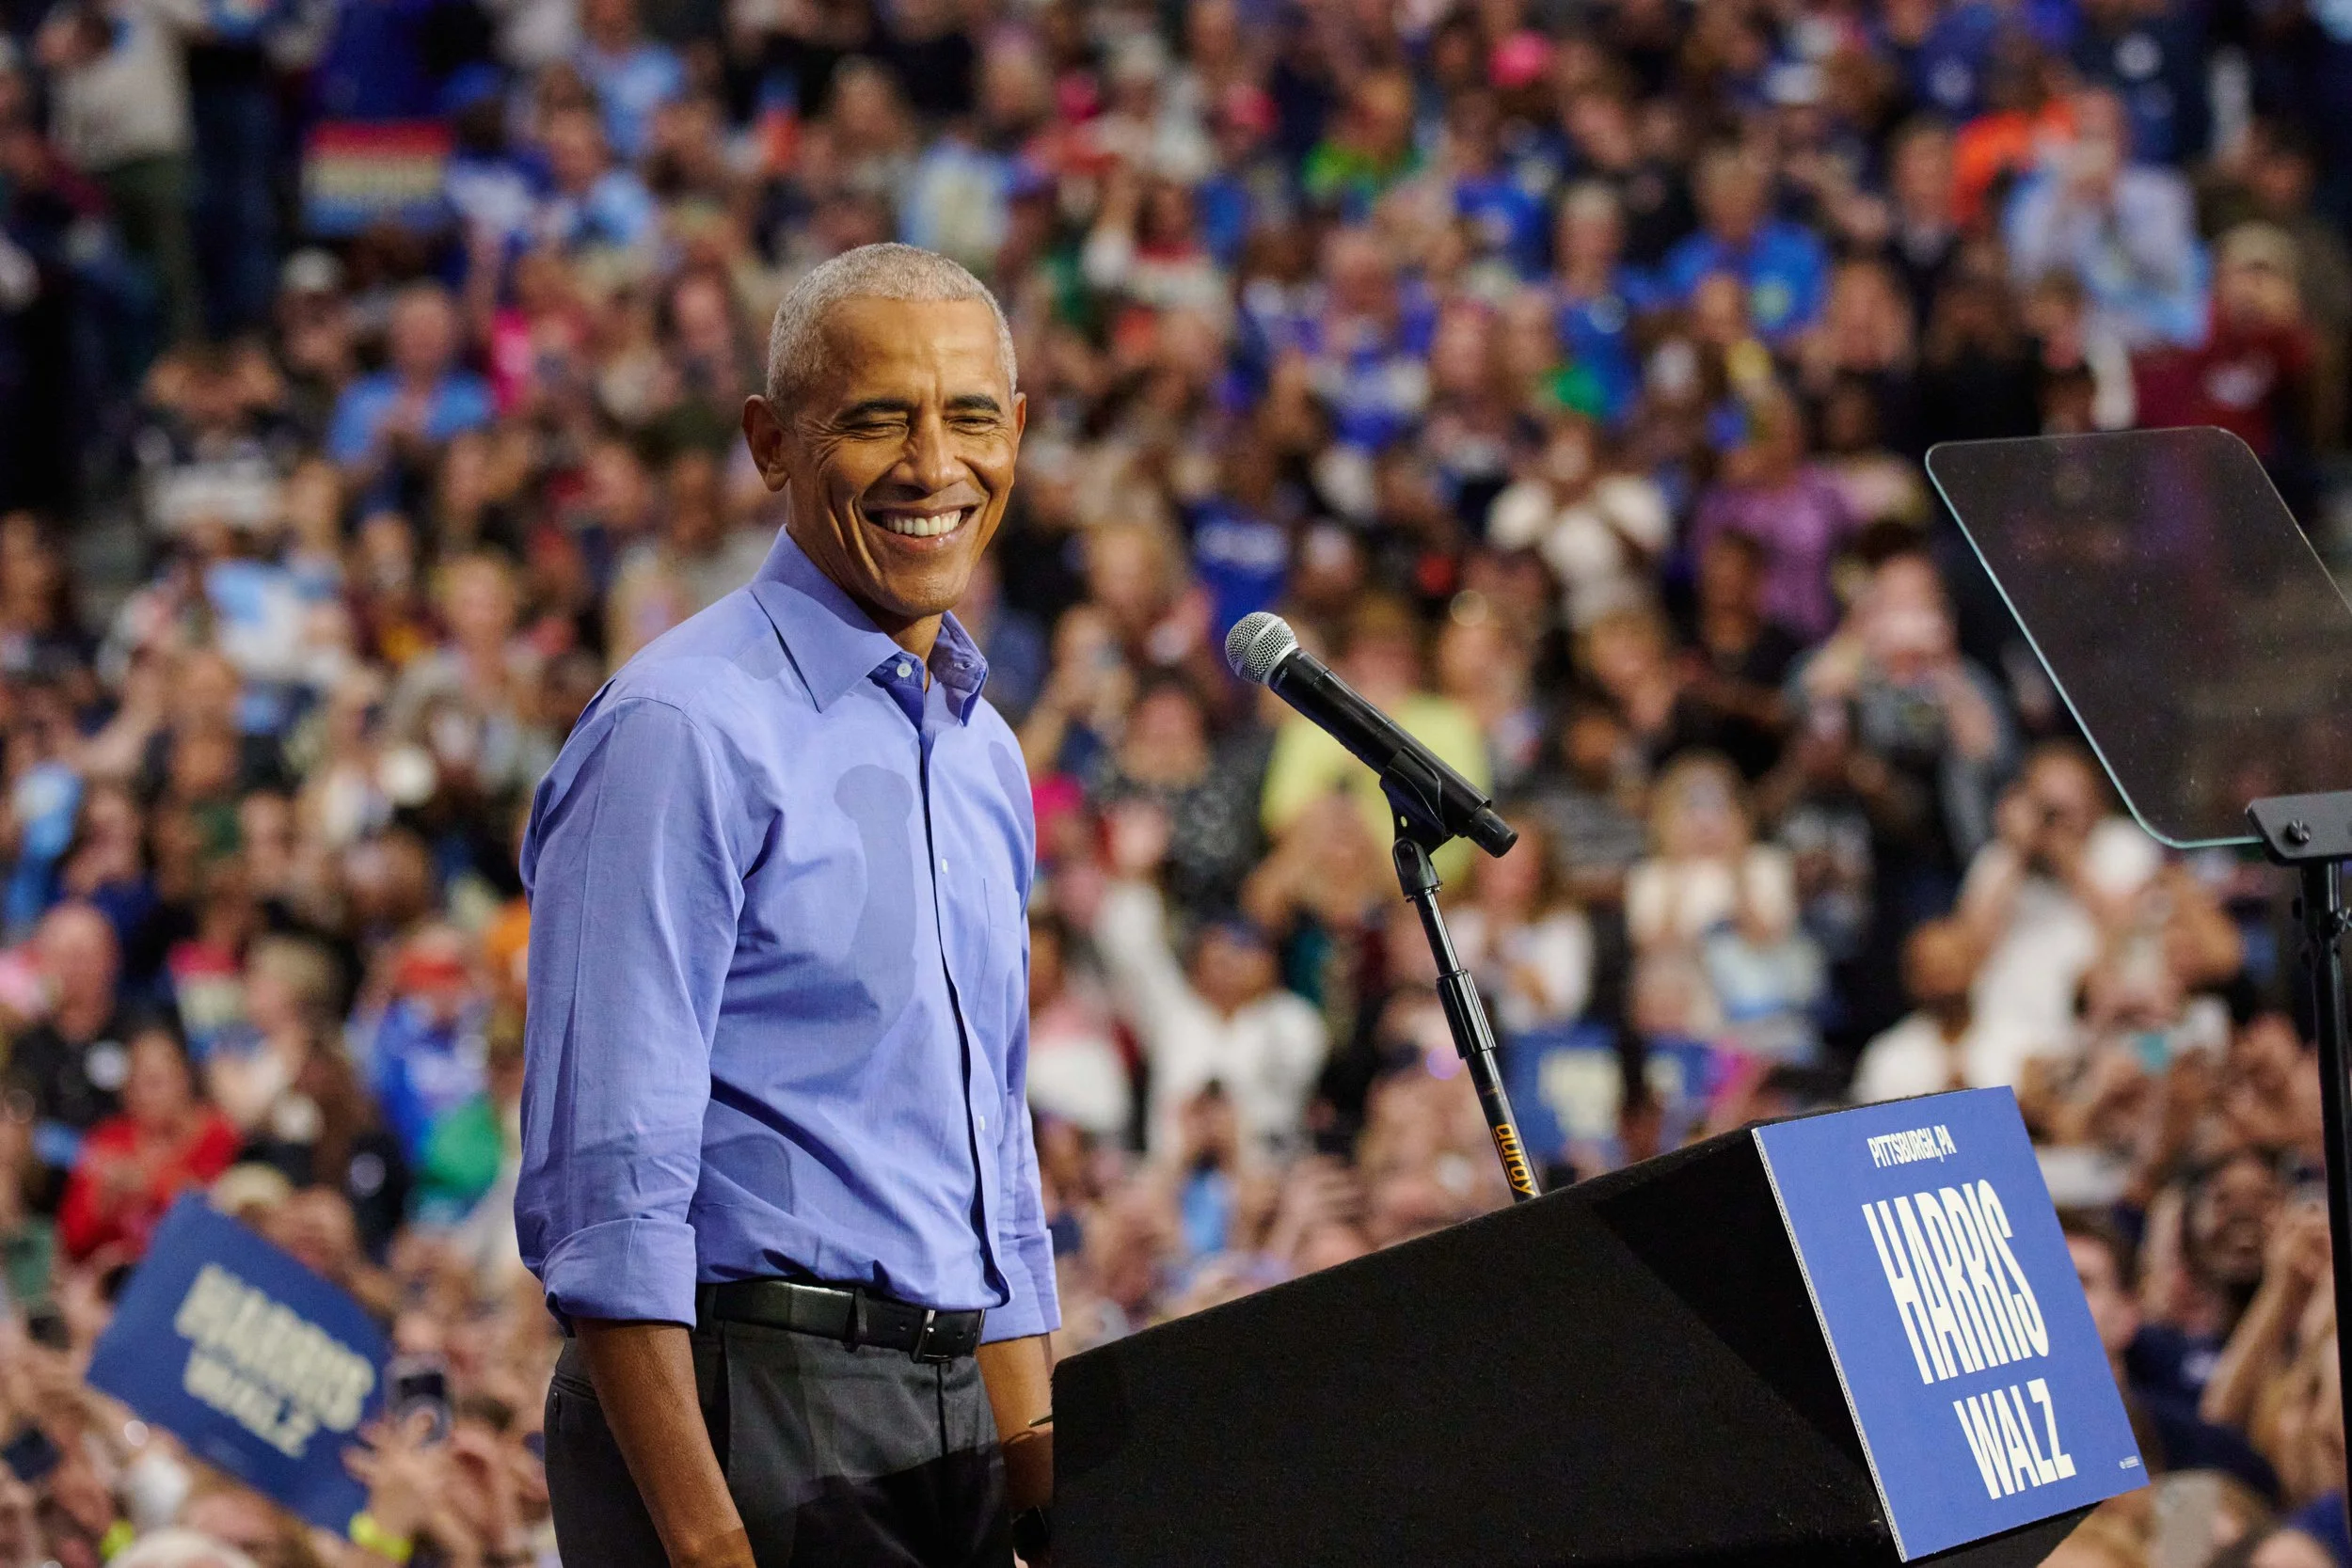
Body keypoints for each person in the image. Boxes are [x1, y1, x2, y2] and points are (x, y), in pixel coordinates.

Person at [517, 245, 1057, 1568]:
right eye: (877, 417)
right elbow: (608, 1186)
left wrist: (1045, 1497)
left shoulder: (985, 753)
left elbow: (995, 1175)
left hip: (950, 1416)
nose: (935, 464)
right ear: (771, 441)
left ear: (1018, 435)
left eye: (971, 415)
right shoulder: (679, 725)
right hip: (746, 1397)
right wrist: (704, 1538)